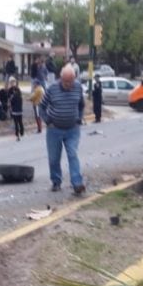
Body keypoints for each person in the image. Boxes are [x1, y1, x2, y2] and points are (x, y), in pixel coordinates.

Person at [39, 64, 86, 195]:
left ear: (74, 79)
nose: (68, 84)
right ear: (61, 78)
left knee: (73, 154)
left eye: (71, 81)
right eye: (65, 81)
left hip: (72, 129)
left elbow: (81, 105)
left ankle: (77, 183)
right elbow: (41, 107)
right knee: (54, 158)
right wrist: (47, 121)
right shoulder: (52, 89)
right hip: (54, 129)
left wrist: (79, 118)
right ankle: (56, 181)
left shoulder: (78, 87)